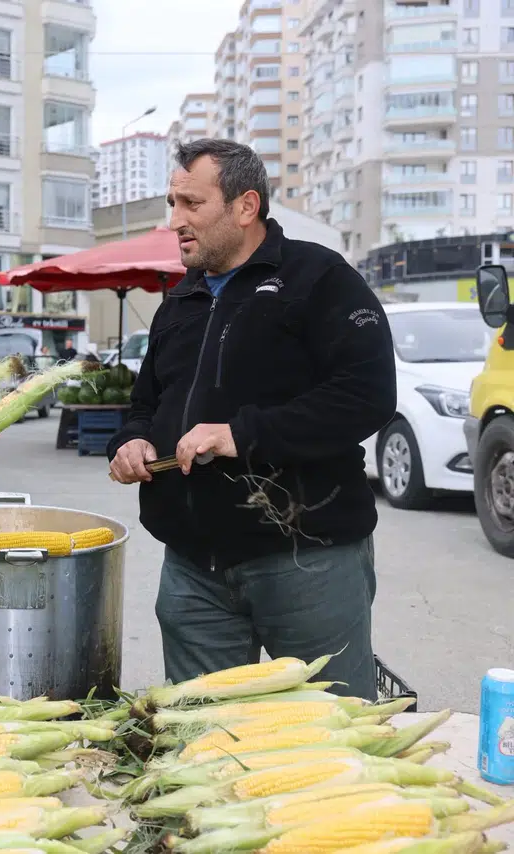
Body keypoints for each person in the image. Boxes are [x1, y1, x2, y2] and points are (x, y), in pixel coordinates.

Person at [106, 138, 395, 701]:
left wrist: (244, 434)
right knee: (205, 742)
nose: (175, 221)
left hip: (307, 560)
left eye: (191, 204)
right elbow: (146, 402)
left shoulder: (318, 278)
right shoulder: (181, 298)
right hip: (193, 571)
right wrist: (131, 440)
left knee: (327, 739)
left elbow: (367, 395)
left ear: (245, 206)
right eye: (172, 203)